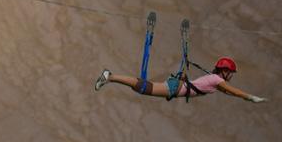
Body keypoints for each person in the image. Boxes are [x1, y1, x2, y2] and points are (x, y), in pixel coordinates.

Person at [96, 57, 267, 103]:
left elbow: (229, 92)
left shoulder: (215, 80)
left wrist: (244, 98)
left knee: (142, 88)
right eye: (231, 73)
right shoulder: (216, 79)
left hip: (177, 87)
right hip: (176, 88)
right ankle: (110, 76)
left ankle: (110, 77)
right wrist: (250, 97)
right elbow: (232, 90)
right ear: (225, 71)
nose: (231, 77)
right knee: (143, 87)